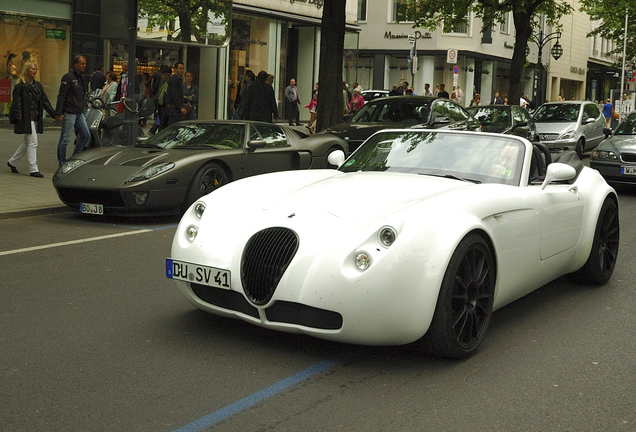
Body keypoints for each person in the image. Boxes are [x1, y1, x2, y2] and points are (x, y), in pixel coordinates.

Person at [7, 61, 59, 177]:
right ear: (27, 70)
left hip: (35, 117)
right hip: (25, 118)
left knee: (27, 142)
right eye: (32, 69)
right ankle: (33, 169)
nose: (35, 71)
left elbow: (45, 101)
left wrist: (54, 114)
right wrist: (18, 114)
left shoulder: (38, 86)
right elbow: (17, 102)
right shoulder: (20, 86)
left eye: (36, 69)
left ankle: (12, 162)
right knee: (33, 142)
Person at [55, 54, 90, 165]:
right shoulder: (68, 77)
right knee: (65, 137)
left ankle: (75, 157)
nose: (84, 66)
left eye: (85, 63)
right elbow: (62, 95)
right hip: (70, 110)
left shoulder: (81, 77)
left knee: (85, 135)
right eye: (82, 63)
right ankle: (62, 162)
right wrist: (59, 112)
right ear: (75, 64)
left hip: (78, 111)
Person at [148, 65, 171, 134]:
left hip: (164, 105)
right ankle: (154, 130)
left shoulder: (167, 83)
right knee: (160, 118)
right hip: (161, 104)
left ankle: (154, 130)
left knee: (162, 120)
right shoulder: (162, 82)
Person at [165, 62, 188, 127]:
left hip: (174, 108)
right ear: (175, 69)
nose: (182, 70)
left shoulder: (177, 79)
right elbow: (174, 94)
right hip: (174, 108)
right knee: (174, 127)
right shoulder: (175, 80)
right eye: (180, 68)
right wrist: (180, 107)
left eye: (183, 68)